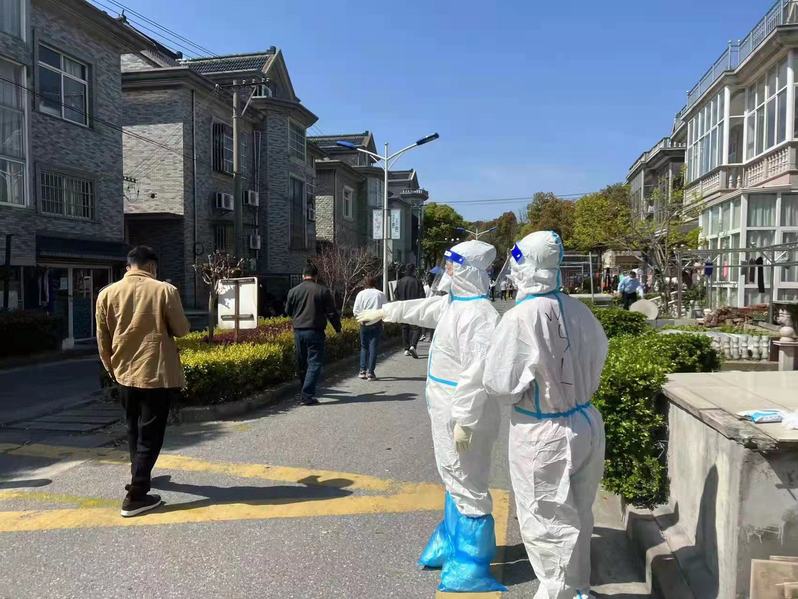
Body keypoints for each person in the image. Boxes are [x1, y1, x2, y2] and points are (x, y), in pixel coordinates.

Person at [357, 241, 505, 593]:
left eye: (452, 265)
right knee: (453, 476)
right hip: (447, 409)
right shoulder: (455, 304)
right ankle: (453, 544)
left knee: (467, 481)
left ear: (468, 269)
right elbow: (424, 309)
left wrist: (465, 419)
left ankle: (471, 564)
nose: (447, 271)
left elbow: (478, 375)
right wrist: (386, 311)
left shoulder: (481, 316)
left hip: (462, 414)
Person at [483, 231, 608, 599]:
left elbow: (501, 384)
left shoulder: (521, 317)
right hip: (586, 423)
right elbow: (597, 359)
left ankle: (558, 593)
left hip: (543, 432)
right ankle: (579, 588)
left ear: (525, 266)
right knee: (579, 515)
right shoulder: (580, 311)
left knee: (546, 523)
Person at [95, 246, 191, 518]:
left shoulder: (106, 294)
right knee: (151, 433)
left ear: (129, 266)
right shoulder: (165, 291)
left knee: (133, 428)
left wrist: (111, 369)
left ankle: (139, 471)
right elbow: (182, 330)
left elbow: (102, 339)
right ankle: (136, 495)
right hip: (155, 372)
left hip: (124, 373)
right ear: (151, 267)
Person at [285, 263, 342, 405]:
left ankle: (304, 389)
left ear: (303, 276)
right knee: (314, 363)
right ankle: (307, 394)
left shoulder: (293, 291)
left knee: (302, 363)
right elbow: (331, 313)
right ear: (316, 276)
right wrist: (338, 329)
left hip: (298, 331)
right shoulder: (323, 291)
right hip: (315, 331)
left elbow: (288, 311)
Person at [352, 276, 387, 381]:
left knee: (364, 347)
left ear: (365, 284)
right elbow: (386, 309)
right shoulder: (380, 294)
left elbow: (355, 310)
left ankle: (362, 371)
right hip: (376, 323)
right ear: (375, 283)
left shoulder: (360, 294)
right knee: (373, 348)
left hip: (364, 323)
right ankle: (370, 372)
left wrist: (361, 319)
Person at [395, 263, 425, 358]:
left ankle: (406, 349)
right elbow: (422, 296)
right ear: (413, 271)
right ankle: (413, 345)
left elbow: (396, 294)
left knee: (405, 328)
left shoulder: (400, 282)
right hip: (414, 308)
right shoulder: (417, 281)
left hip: (403, 308)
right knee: (417, 327)